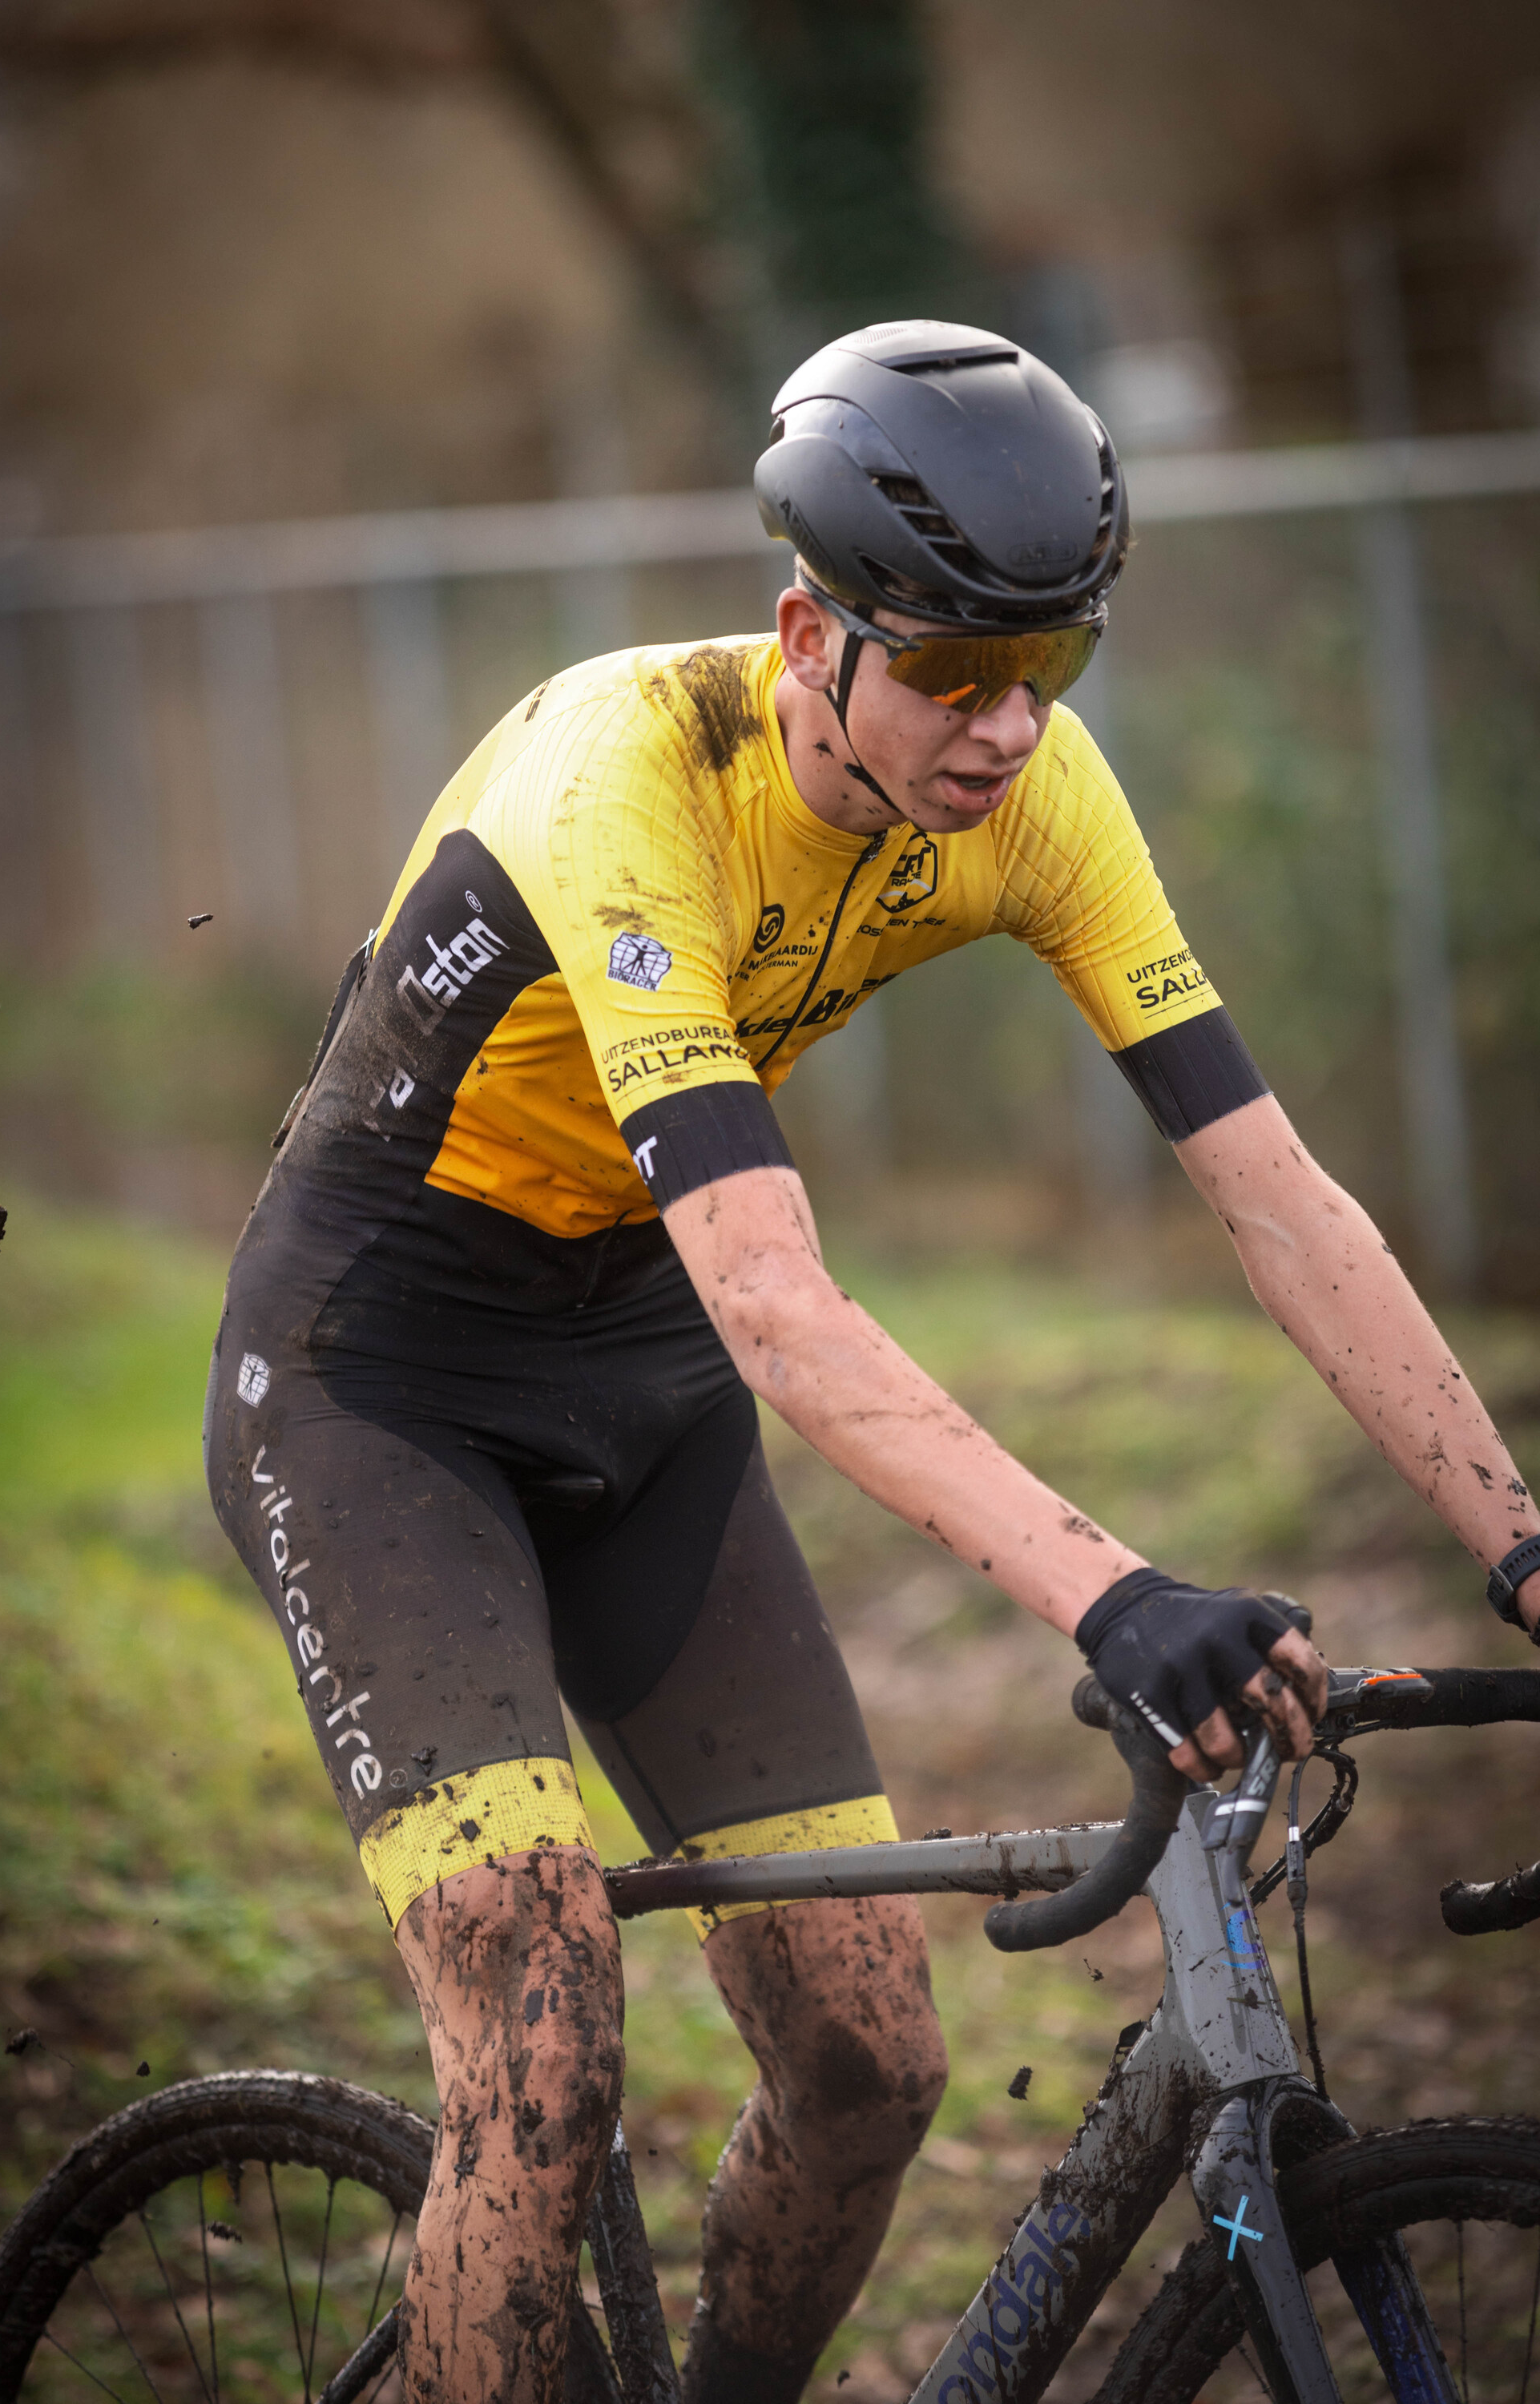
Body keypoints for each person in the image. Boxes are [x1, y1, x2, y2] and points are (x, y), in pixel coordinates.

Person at [205, 320, 1540, 2404]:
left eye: (1054, 669)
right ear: (806, 629)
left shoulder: (1033, 795)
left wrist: (1523, 1545)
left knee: (868, 2053)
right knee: (543, 2050)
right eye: (951, 671)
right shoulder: (623, 776)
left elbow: (1276, 1198)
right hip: (381, 1373)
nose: (1006, 730)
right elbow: (780, 1309)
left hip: (630, 1369)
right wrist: (1113, 1588)